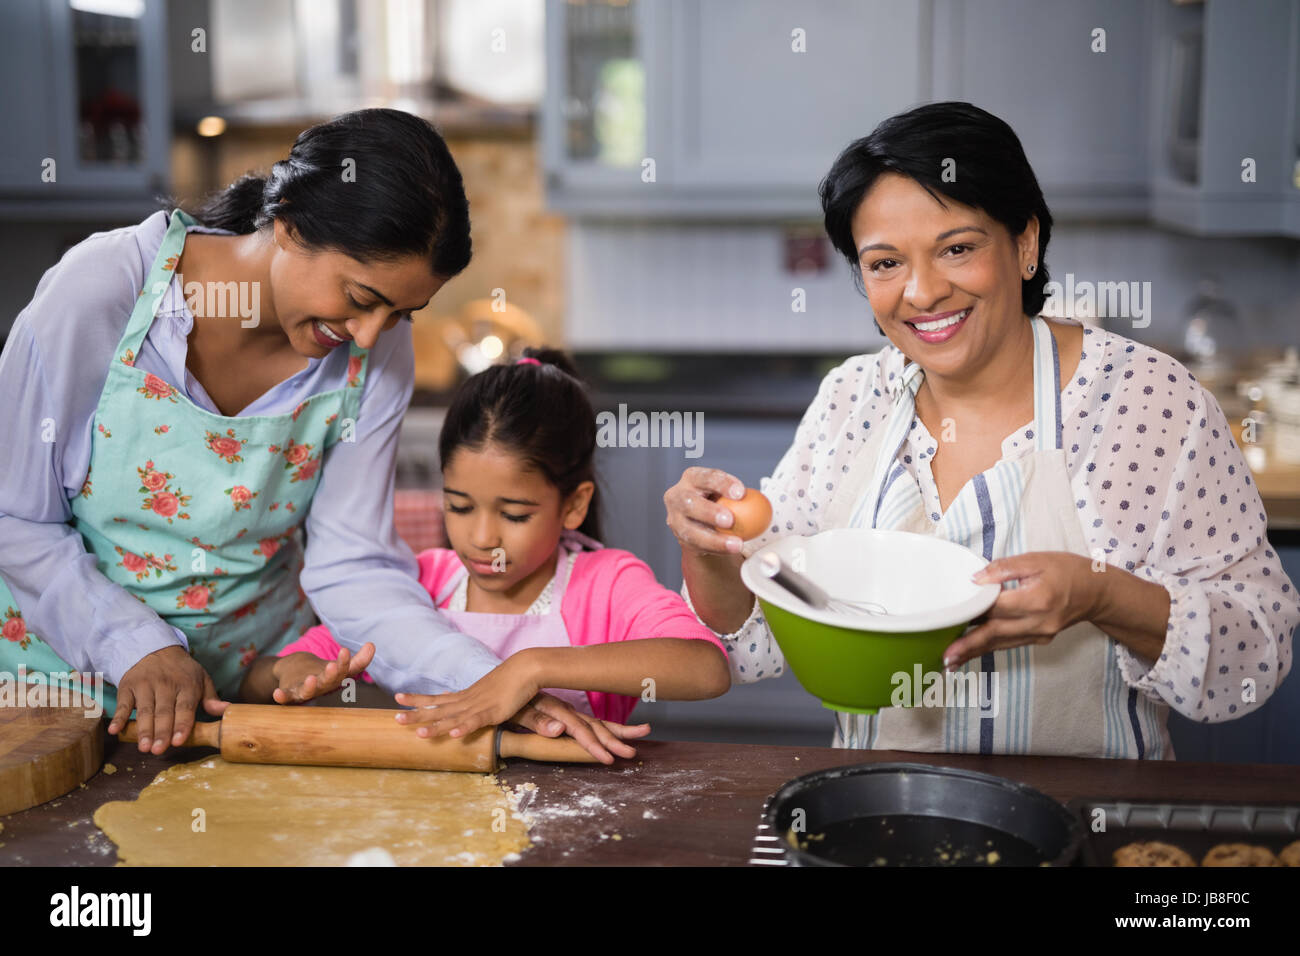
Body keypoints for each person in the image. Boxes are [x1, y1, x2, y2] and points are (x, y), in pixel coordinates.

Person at [663, 102, 1298, 758]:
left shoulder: (1145, 402)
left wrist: (1099, 594)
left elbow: (1254, 659)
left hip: (1086, 827)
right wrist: (710, 548)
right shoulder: (853, 397)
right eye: (885, 264)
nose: (922, 291)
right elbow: (758, 639)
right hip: (880, 819)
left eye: (957, 249)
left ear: (1025, 243)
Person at [0, 108, 589, 757]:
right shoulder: (103, 292)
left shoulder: (377, 351)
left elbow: (352, 564)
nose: (370, 335)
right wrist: (136, 645)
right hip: (54, 704)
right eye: (361, 297)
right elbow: (17, 519)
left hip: (248, 706)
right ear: (286, 224)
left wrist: (487, 680)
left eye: (401, 313)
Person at [242, 350, 731, 762]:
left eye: (514, 515)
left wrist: (531, 668)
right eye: (458, 506)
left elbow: (705, 667)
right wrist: (293, 673)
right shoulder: (424, 582)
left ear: (574, 505)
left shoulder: (605, 583)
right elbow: (262, 678)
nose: (481, 537)